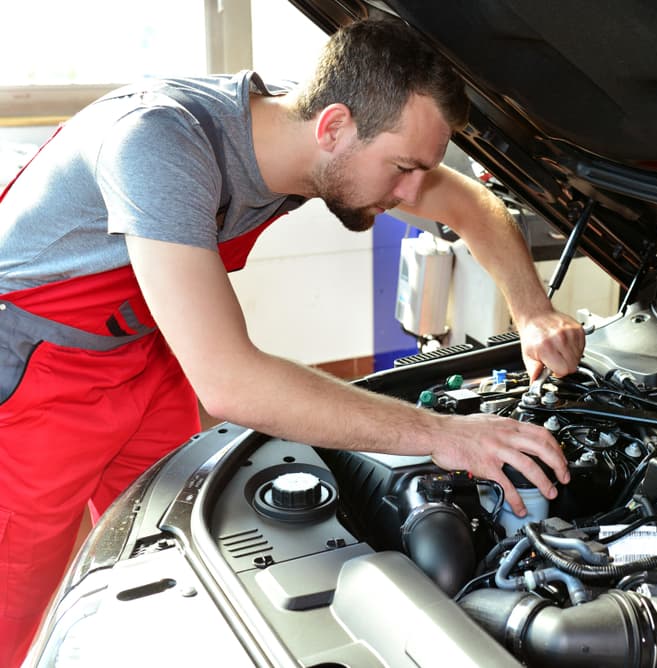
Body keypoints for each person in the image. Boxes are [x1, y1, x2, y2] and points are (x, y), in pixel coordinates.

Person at [0, 18, 585, 666]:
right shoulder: (160, 142)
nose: (413, 194)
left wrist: (531, 311)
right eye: (403, 168)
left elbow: (473, 205)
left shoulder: (306, 130)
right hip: (34, 370)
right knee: (14, 606)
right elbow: (229, 380)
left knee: (166, 560)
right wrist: (447, 433)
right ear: (332, 127)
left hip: (145, 351)